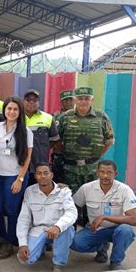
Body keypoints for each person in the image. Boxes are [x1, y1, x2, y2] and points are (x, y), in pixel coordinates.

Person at [57, 86, 115, 227]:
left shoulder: (101, 117)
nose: (83, 101)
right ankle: (71, 235)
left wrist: (96, 156)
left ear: (92, 99)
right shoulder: (65, 117)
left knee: (95, 202)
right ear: (75, 99)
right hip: (71, 168)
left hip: (93, 169)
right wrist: (66, 153)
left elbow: (109, 140)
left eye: (86, 98)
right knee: (71, 202)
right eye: (80, 98)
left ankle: (98, 237)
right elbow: (56, 140)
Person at [71, 160, 136, 270]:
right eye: (102, 172)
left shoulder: (124, 190)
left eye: (109, 172)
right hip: (94, 230)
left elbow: (133, 220)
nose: (105, 176)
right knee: (75, 243)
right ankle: (101, 246)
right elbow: (73, 207)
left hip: (116, 229)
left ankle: (116, 261)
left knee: (126, 231)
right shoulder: (86, 188)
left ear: (115, 173)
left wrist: (104, 217)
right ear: (97, 173)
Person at [0, 96, 33, 259]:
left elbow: (28, 157)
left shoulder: (25, 131)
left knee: (12, 210)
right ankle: (1, 235)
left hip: (14, 176)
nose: (12, 112)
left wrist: (20, 179)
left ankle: (10, 242)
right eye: (9, 109)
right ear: (4, 110)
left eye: (15, 109)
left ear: (19, 111)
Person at [16, 162, 77, 272]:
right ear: (35, 176)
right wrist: (22, 244)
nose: (42, 176)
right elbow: (24, 219)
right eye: (39, 173)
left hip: (58, 230)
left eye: (46, 173)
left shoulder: (63, 191)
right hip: (39, 229)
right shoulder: (30, 191)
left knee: (67, 229)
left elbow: (72, 212)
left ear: (52, 175)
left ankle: (59, 264)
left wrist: (58, 226)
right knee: (25, 259)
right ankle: (43, 246)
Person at [23, 89, 59, 185]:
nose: (31, 103)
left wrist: (41, 149)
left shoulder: (48, 118)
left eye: (34, 100)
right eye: (28, 100)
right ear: (23, 101)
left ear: (39, 102)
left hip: (39, 166)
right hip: (20, 166)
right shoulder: (17, 118)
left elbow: (54, 140)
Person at [51, 90, 75, 184]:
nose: (68, 103)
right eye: (65, 100)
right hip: (59, 156)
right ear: (61, 102)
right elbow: (53, 137)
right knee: (58, 182)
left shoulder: (80, 115)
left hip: (75, 157)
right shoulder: (55, 117)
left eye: (70, 100)